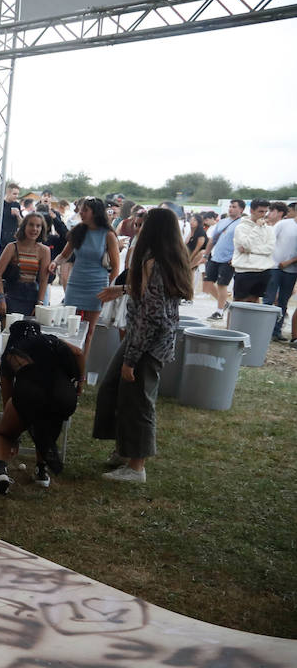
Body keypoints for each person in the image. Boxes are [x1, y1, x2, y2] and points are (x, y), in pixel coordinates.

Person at [93, 206, 193, 483]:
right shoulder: (163, 257)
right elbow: (152, 296)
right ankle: (126, 450)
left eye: (145, 223)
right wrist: (123, 289)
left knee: (138, 401)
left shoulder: (155, 262)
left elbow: (152, 314)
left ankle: (136, 466)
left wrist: (131, 358)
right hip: (144, 338)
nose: (139, 226)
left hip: (148, 342)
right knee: (112, 388)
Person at [0, 320, 85, 495]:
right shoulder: (51, 340)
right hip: (63, 397)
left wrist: (13, 433)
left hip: (30, 394)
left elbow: (9, 398)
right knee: (45, 424)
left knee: (2, 434)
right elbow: (78, 352)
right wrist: (80, 382)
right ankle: (41, 471)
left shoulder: (11, 353)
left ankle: (1, 472)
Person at [58, 197, 120, 360]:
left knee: (89, 330)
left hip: (97, 286)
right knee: (69, 326)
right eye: (80, 210)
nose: (81, 213)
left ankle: (81, 369)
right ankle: (67, 363)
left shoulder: (108, 234)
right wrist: (54, 263)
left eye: (85, 210)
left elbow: (115, 267)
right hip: (75, 283)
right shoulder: (78, 230)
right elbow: (64, 255)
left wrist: (109, 290)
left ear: (95, 212)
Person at [0, 212, 52, 317]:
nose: (34, 229)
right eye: (31, 224)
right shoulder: (12, 247)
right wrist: (1, 299)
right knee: (9, 331)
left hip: (32, 296)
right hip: (12, 294)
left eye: (38, 226)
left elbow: (44, 279)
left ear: (42, 229)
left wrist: (40, 303)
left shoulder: (44, 250)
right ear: (24, 226)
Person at [204, 198, 245, 320]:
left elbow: (243, 243)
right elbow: (213, 239)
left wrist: (235, 258)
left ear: (241, 209)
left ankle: (219, 311)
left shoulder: (242, 224)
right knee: (207, 283)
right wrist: (206, 254)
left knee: (222, 284)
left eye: (234, 207)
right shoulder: (222, 222)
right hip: (215, 257)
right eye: (230, 206)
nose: (231, 209)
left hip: (228, 259)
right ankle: (224, 303)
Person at [231, 198, 275, 304]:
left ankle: (253, 321)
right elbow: (246, 245)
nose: (263, 215)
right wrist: (257, 228)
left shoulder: (269, 229)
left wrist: (250, 250)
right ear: (252, 211)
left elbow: (270, 248)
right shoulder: (241, 228)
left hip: (263, 270)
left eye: (265, 212)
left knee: (255, 300)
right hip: (244, 270)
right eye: (260, 211)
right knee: (239, 302)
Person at [265, 202, 296, 341]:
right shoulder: (285, 224)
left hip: (292, 270)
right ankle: (262, 328)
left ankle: (276, 331)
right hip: (275, 267)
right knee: (269, 299)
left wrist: (289, 262)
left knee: (283, 302)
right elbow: (270, 240)